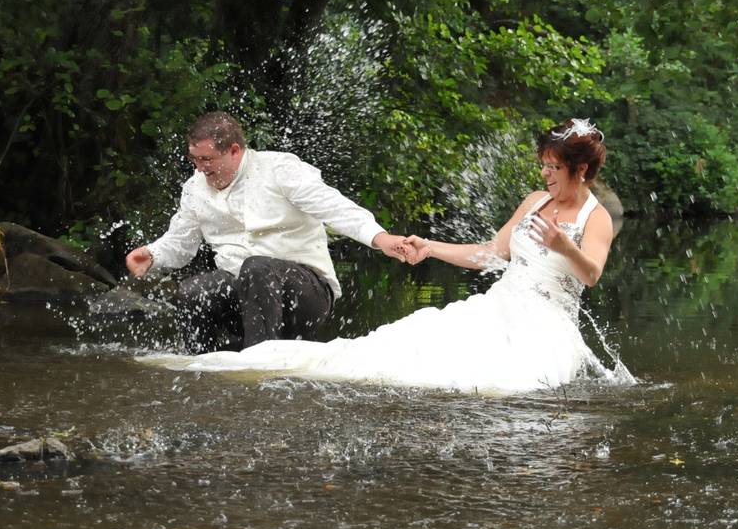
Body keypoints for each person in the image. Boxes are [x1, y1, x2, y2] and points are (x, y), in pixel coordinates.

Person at [143, 118, 630, 393]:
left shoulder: (596, 218)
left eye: (552, 168)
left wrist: (565, 246)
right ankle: (229, 365)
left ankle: (256, 367)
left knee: (505, 381)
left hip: (547, 320)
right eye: (542, 166)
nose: (544, 175)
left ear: (580, 168)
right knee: (401, 347)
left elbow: (590, 276)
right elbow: (490, 255)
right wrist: (426, 246)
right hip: (500, 304)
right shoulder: (534, 202)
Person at [125, 111, 412, 353]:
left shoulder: (279, 169)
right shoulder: (194, 188)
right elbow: (180, 242)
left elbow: (333, 207)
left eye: (207, 160)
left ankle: (258, 368)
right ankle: (200, 366)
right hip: (243, 293)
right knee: (192, 292)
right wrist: (152, 254)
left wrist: (380, 238)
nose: (200, 169)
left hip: (305, 296)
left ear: (235, 151)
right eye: (194, 160)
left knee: (257, 266)